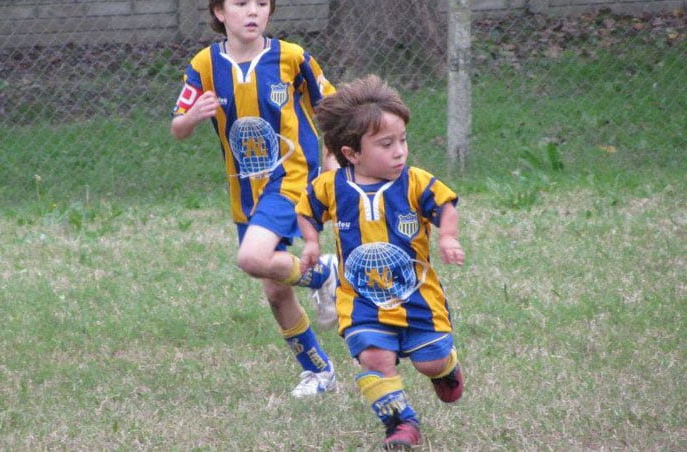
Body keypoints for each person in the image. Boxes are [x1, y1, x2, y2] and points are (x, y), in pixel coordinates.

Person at [170, 0, 339, 397]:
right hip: (245, 189)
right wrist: (194, 115)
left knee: (251, 258)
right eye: (241, 3)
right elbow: (178, 127)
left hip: (292, 177)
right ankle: (319, 371)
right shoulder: (205, 65)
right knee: (276, 291)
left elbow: (332, 111)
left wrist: (332, 163)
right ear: (218, 12)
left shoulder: (292, 57)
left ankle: (325, 273)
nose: (253, 12)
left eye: (262, 3)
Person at [296, 75, 466, 449]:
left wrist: (448, 236)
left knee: (430, 363)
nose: (400, 151)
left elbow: (446, 205)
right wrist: (311, 242)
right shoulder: (332, 186)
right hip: (361, 301)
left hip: (418, 298)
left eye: (402, 140)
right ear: (351, 153)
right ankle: (401, 425)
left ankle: (447, 369)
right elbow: (307, 210)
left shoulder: (415, 182)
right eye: (386, 144)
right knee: (373, 357)